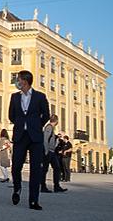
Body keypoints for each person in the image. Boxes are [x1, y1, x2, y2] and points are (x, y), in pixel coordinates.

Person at [8, 69, 50, 211]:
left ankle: (33, 200)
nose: (16, 81)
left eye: (18, 79)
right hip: (20, 135)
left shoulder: (40, 96)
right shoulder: (14, 97)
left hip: (35, 136)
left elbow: (46, 115)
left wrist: (36, 125)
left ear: (25, 81)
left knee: (35, 170)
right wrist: (21, 124)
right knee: (16, 166)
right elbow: (11, 116)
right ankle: (17, 188)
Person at [40, 115, 67, 193]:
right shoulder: (49, 127)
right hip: (48, 151)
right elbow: (45, 139)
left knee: (57, 168)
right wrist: (46, 150)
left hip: (52, 151)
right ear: (56, 121)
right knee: (45, 169)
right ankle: (43, 187)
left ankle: (56, 186)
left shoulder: (51, 128)